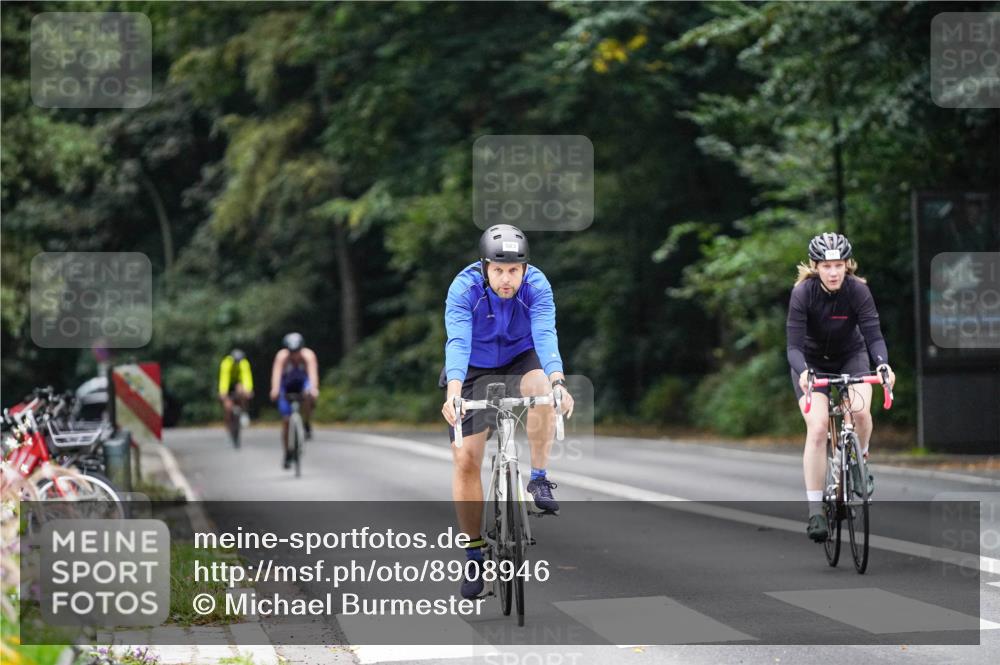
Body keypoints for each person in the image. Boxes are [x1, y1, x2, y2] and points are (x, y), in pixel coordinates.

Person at [441, 224, 575, 599]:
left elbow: (546, 334)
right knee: (467, 459)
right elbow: (457, 341)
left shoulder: (537, 286)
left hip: (520, 357)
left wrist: (559, 380)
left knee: (543, 391)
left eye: (514, 270)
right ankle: (473, 550)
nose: (506, 278)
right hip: (472, 367)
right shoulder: (464, 288)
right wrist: (454, 391)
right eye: (498, 270)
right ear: (484, 266)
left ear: (524, 268)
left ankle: (539, 478)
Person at [786, 232, 896, 543]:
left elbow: (873, 336)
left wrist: (883, 364)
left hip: (851, 355)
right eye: (827, 266)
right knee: (819, 428)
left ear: (847, 265)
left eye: (839, 265)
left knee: (860, 413)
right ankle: (815, 511)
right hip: (811, 363)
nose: (834, 273)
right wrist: (804, 372)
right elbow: (792, 346)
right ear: (815, 266)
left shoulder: (857, 290)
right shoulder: (803, 294)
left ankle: (859, 460)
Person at [269, 332, 319, 469]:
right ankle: (287, 452)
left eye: (297, 351)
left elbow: (312, 376)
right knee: (286, 420)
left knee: (309, 395)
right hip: (286, 386)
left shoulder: (308, 356)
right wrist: (274, 390)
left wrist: (313, 389)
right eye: (292, 352)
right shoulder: (282, 357)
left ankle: (307, 422)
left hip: (302, 384)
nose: (295, 355)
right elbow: (276, 375)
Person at [218, 348, 254, 434]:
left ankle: (244, 412)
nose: (237, 363)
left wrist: (248, 390)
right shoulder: (226, 363)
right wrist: (223, 392)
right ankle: (228, 423)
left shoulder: (244, 363)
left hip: (238, 383)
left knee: (242, 389)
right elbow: (224, 379)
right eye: (235, 361)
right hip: (228, 384)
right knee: (228, 406)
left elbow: (247, 378)